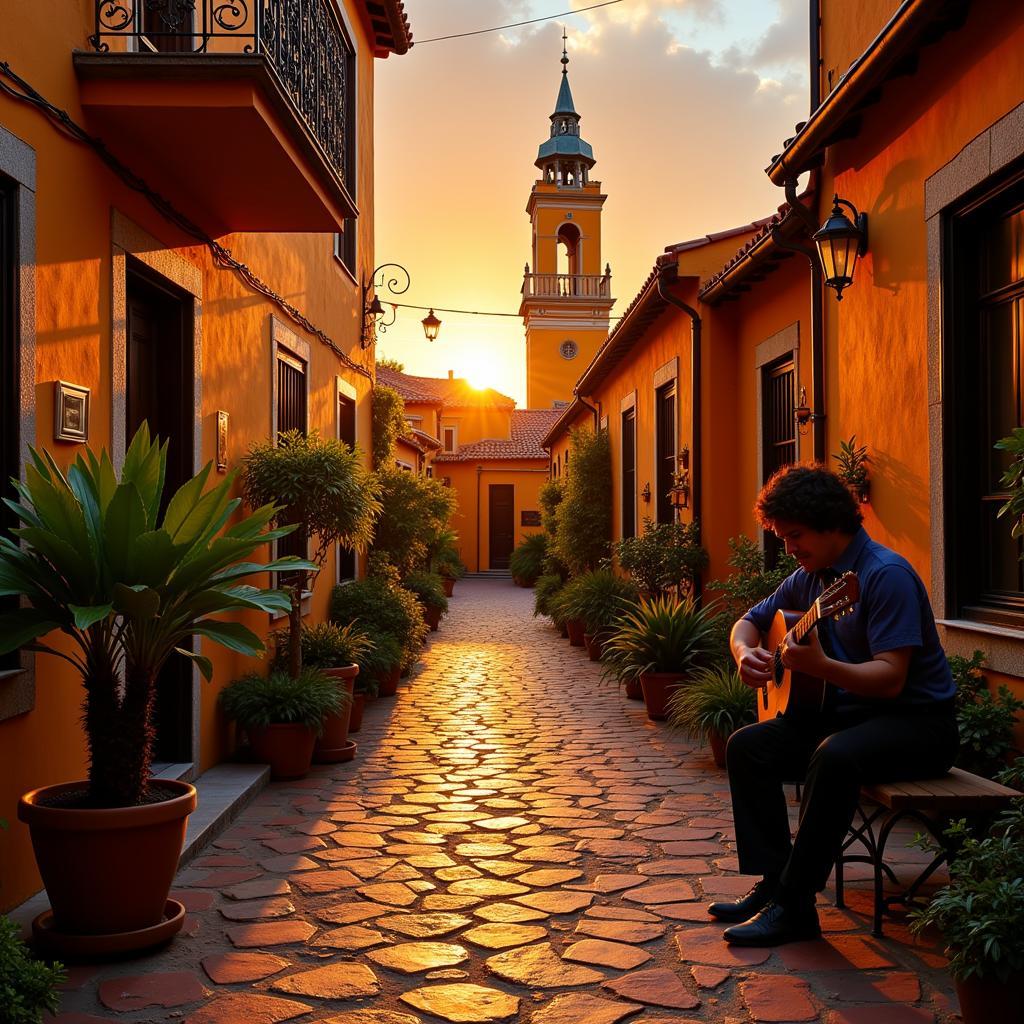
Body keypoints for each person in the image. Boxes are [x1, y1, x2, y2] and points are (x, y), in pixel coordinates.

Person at [711, 465, 958, 947]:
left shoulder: (884, 577)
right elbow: (749, 621)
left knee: (835, 755)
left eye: (795, 535)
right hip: (850, 718)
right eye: (783, 537)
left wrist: (821, 667)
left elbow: (890, 679)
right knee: (747, 747)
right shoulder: (812, 576)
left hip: (918, 726)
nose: (789, 548)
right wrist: (745, 654)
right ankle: (778, 886)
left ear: (830, 524)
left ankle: (794, 902)